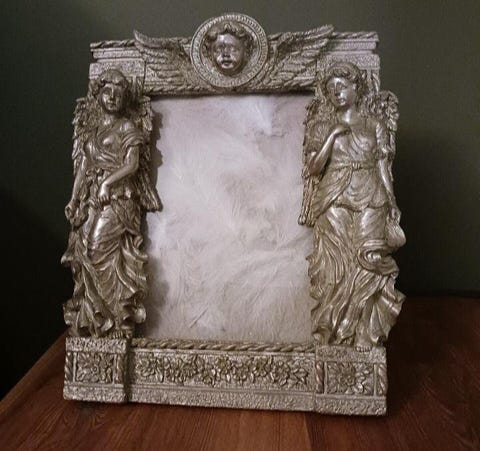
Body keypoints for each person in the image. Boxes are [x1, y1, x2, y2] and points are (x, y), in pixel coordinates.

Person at [302, 62, 405, 351]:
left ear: (357, 88)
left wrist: (391, 200)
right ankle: (333, 330)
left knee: (368, 258)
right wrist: (333, 135)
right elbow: (313, 168)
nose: (337, 92)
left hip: (371, 193)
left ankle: (364, 332)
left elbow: (383, 166)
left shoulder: (374, 125)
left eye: (342, 86)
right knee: (334, 265)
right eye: (331, 88)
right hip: (334, 194)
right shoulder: (321, 126)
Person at [62, 69, 160, 338]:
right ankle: (98, 323)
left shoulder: (128, 127)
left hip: (118, 200)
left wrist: (107, 183)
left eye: (119, 92)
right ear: (98, 95)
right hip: (92, 200)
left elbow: (132, 164)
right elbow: (84, 167)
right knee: (83, 252)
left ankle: (114, 319)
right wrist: (74, 199)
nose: (113, 96)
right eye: (107, 91)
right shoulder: (92, 131)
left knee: (97, 250)